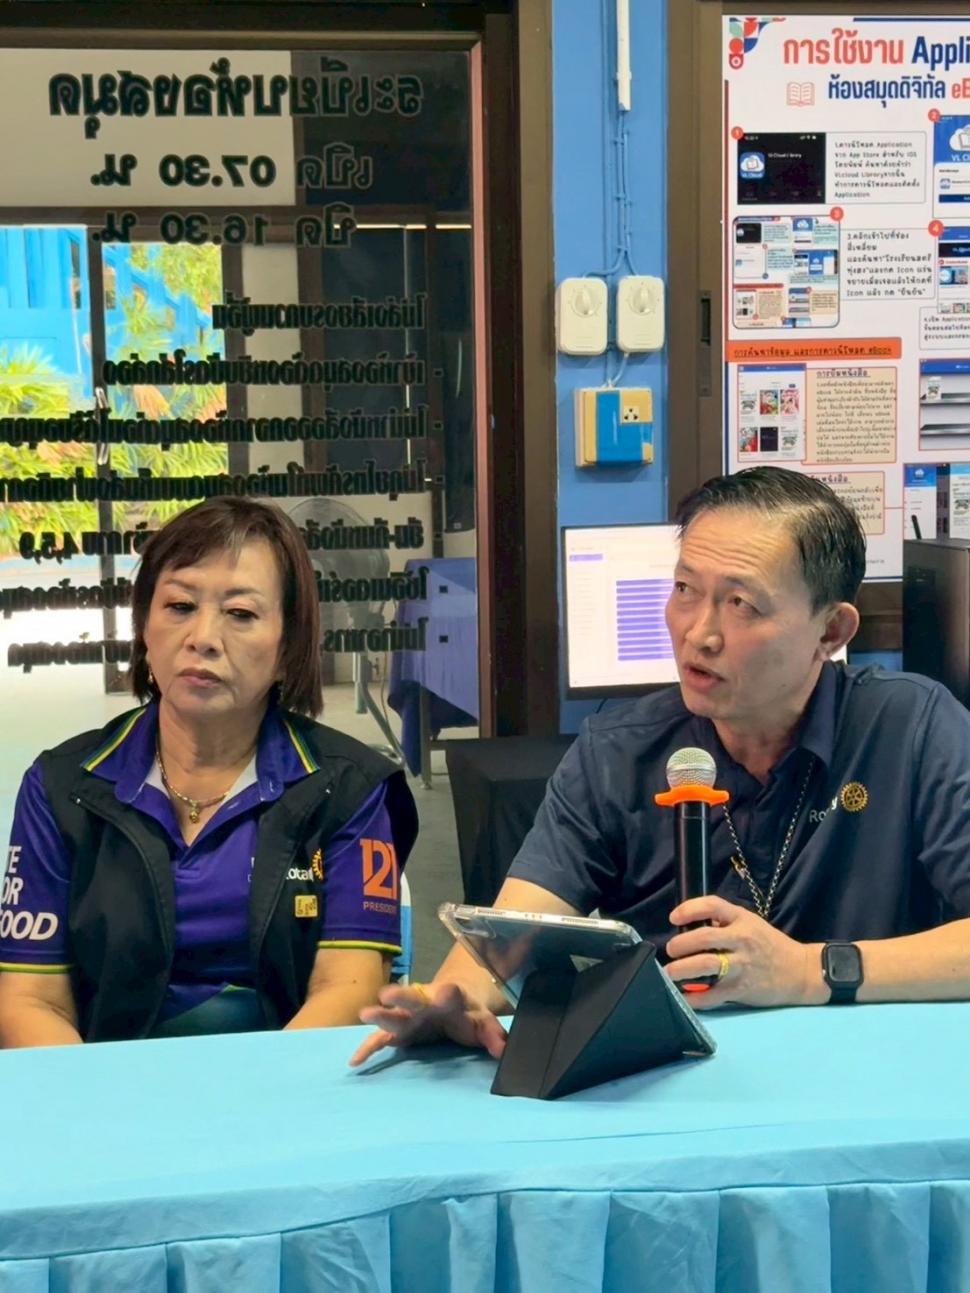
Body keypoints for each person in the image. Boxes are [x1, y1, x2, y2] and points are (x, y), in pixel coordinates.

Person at [351, 466, 970, 1067]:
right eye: (684, 590)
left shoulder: (911, 728)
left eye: (741, 604)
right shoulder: (618, 752)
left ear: (830, 630)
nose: (699, 633)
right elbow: (516, 928)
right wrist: (453, 999)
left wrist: (809, 971)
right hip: (680, 1074)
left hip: (873, 1064)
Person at [0, 498, 418, 1046]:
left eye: (240, 614)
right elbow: (30, 1000)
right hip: (106, 1079)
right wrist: (101, 1096)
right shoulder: (62, 787)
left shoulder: (348, 789)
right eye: (179, 606)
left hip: (286, 1081)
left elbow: (347, 990)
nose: (203, 637)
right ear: (144, 628)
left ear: (288, 646)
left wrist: (261, 1095)